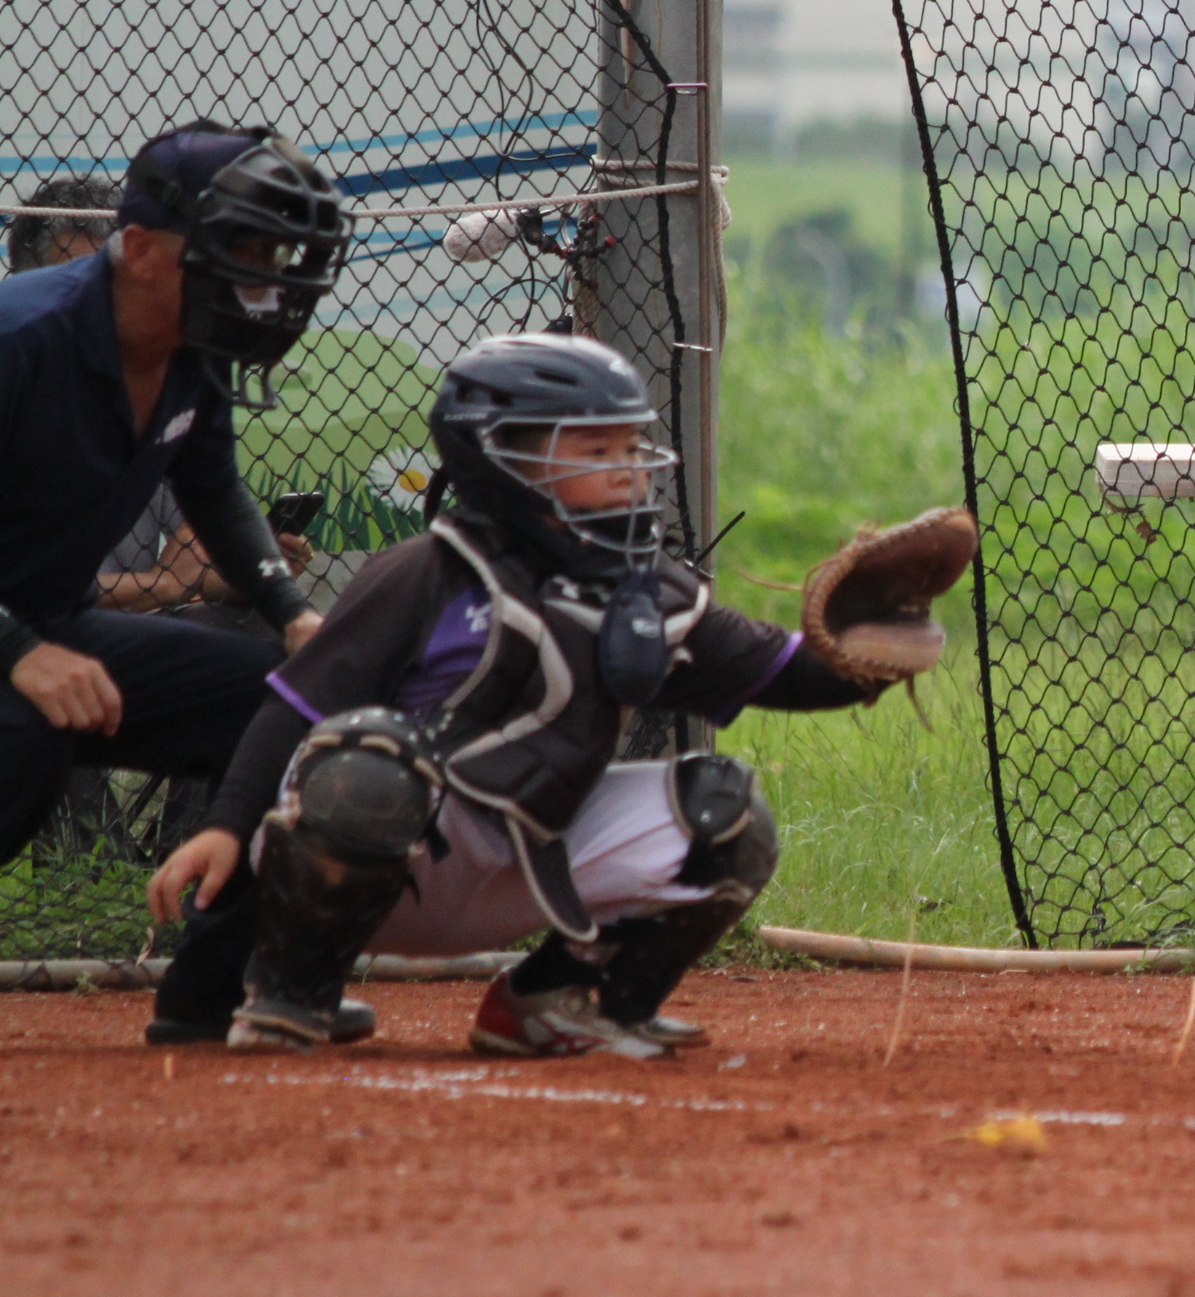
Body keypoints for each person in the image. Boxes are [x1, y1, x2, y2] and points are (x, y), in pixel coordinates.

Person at [145, 333, 965, 1055]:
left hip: (527, 866)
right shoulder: (426, 573)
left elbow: (783, 674)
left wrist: (872, 648)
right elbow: (296, 709)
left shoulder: (647, 591)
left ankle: (558, 1000)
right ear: (500, 457)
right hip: (380, 860)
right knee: (370, 761)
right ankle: (291, 993)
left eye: (629, 447)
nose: (627, 470)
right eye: (594, 450)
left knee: (728, 812)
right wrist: (226, 826)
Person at [0, 126, 348, 908]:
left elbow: (213, 487)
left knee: (284, 708)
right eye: (242, 253)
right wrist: (16, 650)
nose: (263, 282)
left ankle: (220, 967)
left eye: (274, 257)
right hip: (17, 640)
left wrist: (293, 614)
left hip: (52, 623)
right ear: (140, 250)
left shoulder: (194, 343)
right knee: (26, 730)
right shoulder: (20, 336)